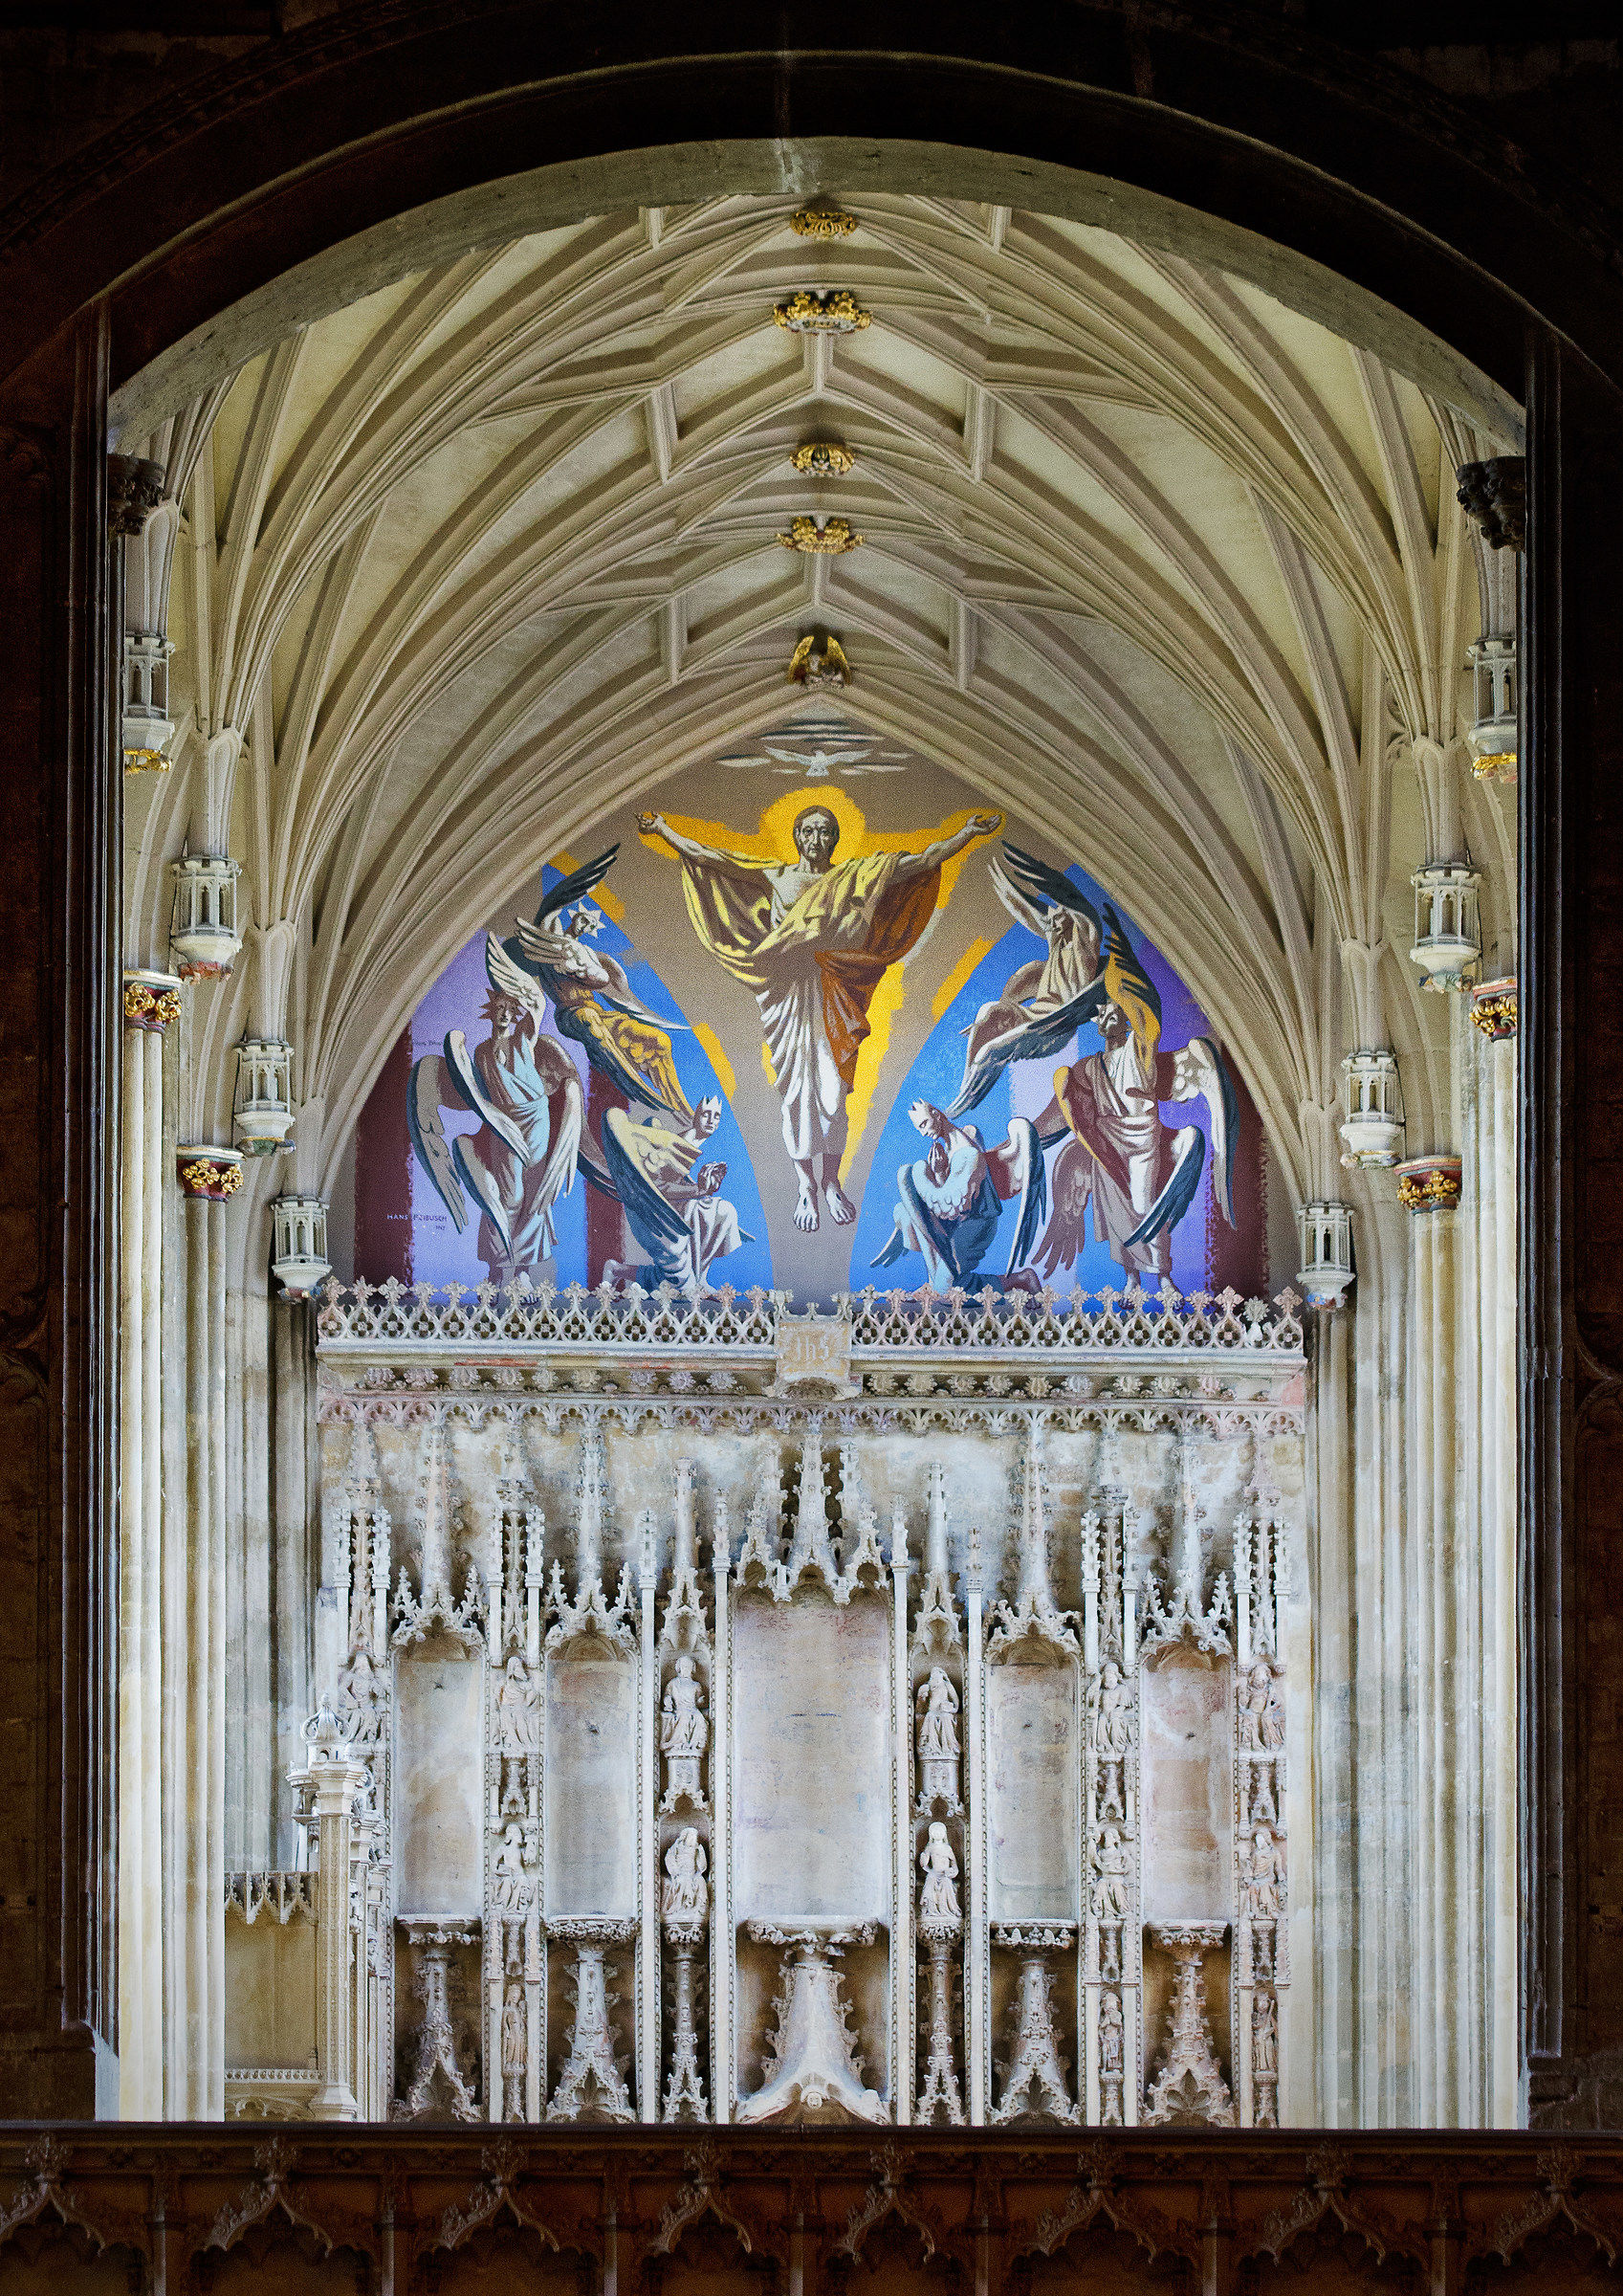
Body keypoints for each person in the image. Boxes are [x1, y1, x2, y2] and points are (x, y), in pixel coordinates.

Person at [639, 802, 1000, 1233]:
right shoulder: (777, 875)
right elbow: (714, 859)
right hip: (787, 992)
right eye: (807, 831)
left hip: (836, 990)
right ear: (796, 837)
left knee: (833, 1095)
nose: (815, 839)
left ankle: (830, 1181)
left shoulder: (858, 874)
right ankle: (805, 1184)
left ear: (834, 838)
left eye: (824, 831)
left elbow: (920, 861)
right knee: (795, 1095)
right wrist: (664, 830)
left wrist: (967, 834)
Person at [600, 1096, 751, 1297]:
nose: (711, 1120)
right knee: (680, 1285)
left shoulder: (691, 1144)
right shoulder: (677, 1144)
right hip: (651, 1213)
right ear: (696, 1116)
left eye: (717, 1116)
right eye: (706, 1114)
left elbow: (678, 1186)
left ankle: (700, 1279)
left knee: (723, 1212)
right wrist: (699, 1190)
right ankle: (619, 1270)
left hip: (670, 1208)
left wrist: (705, 1188)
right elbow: (657, 1187)